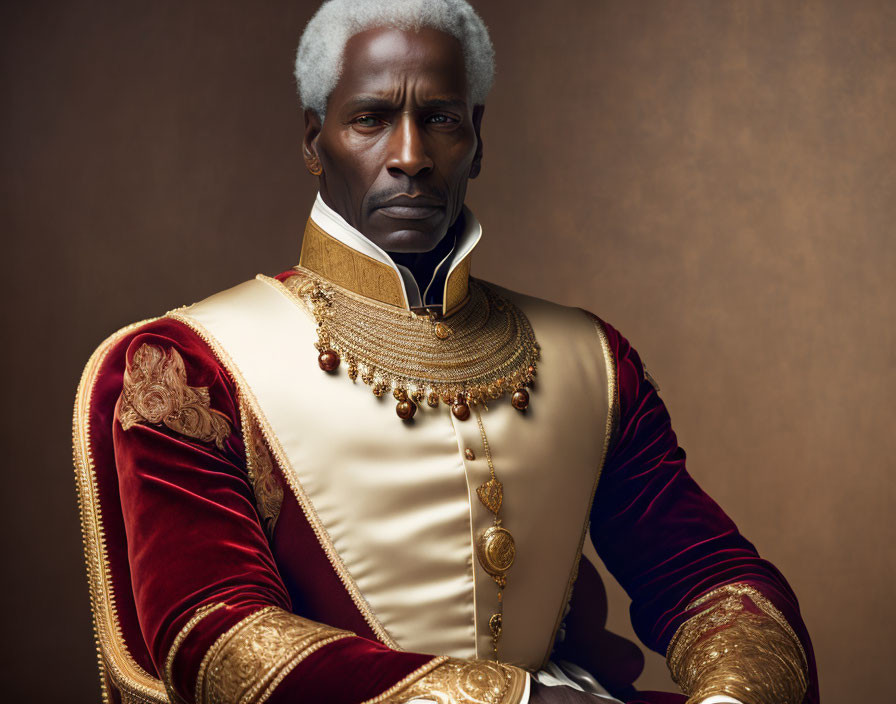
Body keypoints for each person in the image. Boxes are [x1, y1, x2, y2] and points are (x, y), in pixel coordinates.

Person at [71, 2, 817, 703]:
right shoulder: (188, 365)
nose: (410, 156)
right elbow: (217, 637)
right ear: (313, 141)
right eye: (370, 119)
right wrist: (519, 700)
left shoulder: (592, 357)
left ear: (477, 140)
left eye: (440, 120)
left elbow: (710, 576)